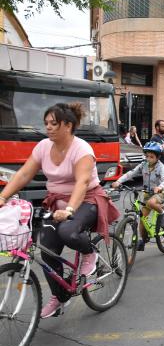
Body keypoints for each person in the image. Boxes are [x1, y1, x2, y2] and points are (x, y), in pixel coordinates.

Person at [0, 102, 120, 318]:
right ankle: (60, 296)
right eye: (46, 123)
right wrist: (3, 196)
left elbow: (83, 182)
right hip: (56, 203)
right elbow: (24, 174)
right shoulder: (43, 146)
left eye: (53, 123)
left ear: (68, 125)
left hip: (87, 200)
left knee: (68, 231)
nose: (48, 127)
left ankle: (89, 253)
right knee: (46, 249)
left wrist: (71, 209)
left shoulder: (81, 149)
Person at [112, 142, 164, 250]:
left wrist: (160, 187)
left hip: (159, 193)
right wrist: (118, 182)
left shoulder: (160, 167)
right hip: (147, 194)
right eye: (147, 156)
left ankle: (163, 213)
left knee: (151, 203)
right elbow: (131, 173)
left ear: (158, 157)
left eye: (151, 157)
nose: (148, 159)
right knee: (142, 220)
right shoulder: (143, 165)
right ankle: (143, 240)